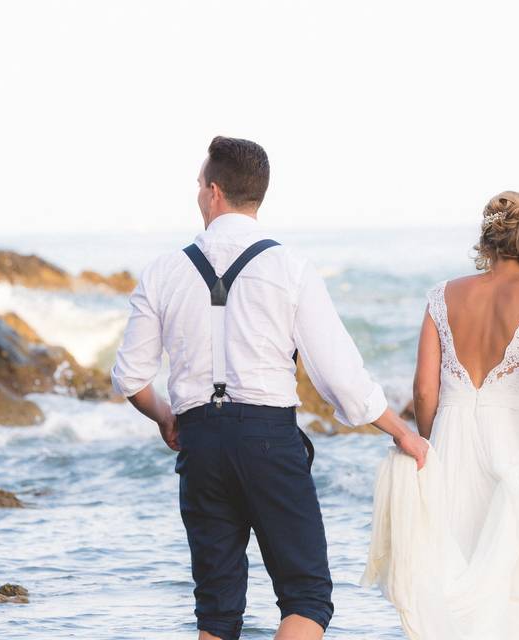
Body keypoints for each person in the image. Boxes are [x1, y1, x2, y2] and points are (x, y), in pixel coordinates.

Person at [110, 135, 428, 640]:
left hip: (199, 442)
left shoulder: (163, 271)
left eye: (198, 185)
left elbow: (129, 377)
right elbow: (340, 376)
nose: (197, 194)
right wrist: (400, 432)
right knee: (305, 597)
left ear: (214, 192)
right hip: (267, 438)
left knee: (216, 608)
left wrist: (166, 416)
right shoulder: (290, 268)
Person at [361, 191, 519, 640]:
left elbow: (423, 388)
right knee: (515, 588)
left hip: (449, 441)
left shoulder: (442, 296)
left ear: (488, 239)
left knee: (444, 572)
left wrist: (427, 444)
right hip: (510, 448)